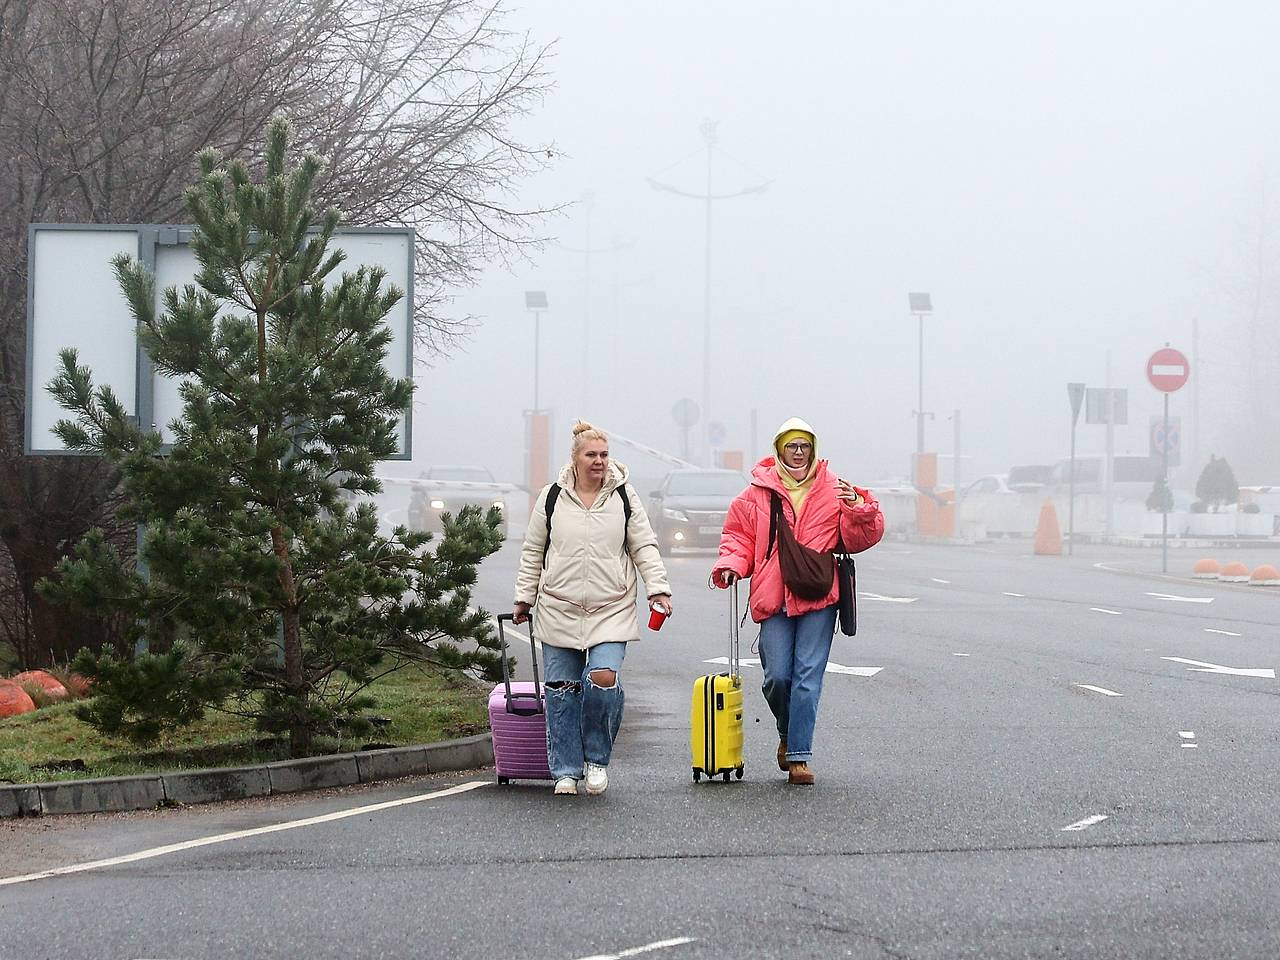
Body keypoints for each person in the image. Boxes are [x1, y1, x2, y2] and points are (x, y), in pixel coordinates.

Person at [712, 417, 884, 785]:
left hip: (819, 594)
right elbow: (738, 537)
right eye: (792, 445)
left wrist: (858, 508)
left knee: (808, 677)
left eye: (805, 445)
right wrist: (730, 565)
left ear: (814, 449)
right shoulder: (756, 492)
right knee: (777, 677)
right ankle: (787, 733)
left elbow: (861, 537)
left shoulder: (834, 488)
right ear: (779, 449)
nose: (799, 452)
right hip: (773, 595)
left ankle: (799, 756)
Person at [513, 422, 673, 797]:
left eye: (604, 455)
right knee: (561, 691)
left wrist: (658, 590)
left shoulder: (624, 496)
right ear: (575, 459)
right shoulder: (552, 497)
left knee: (602, 679)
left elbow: (644, 546)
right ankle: (566, 770)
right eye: (592, 455)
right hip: (559, 606)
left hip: (611, 607)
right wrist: (525, 596)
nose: (599, 461)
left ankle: (596, 760)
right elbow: (533, 550)